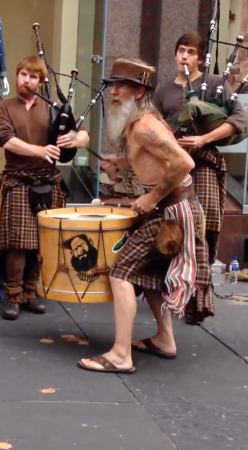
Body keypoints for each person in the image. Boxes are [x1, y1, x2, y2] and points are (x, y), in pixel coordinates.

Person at [78, 58, 212, 374]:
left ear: (139, 92)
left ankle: (120, 355)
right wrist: (122, 163)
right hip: (169, 207)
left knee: (121, 273)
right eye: (112, 85)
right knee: (149, 275)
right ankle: (165, 339)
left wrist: (151, 196)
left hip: (171, 209)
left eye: (122, 86)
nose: (114, 91)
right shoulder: (140, 123)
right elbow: (156, 158)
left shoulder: (145, 125)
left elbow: (183, 163)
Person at [152, 31, 246, 324]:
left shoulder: (217, 85)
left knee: (202, 230)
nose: (185, 57)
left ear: (200, 57)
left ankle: (198, 302)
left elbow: (238, 120)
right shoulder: (163, 91)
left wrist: (204, 138)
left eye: (191, 52)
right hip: (171, 167)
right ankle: (170, 292)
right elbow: (153, 129)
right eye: (181, 50)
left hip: (203, 165)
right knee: (172, 230)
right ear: (174, 54)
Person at [0, 55, 89, 320]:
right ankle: (13, 296)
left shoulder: (54, 109)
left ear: (41, 81)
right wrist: (39, 150)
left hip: (49, 181)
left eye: (33, 76)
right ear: (16, 76)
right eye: (23, 74)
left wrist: (74, 139)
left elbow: (84, 134)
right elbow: (6, 140)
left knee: (39, 244)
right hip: (19, 181)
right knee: (18, 244)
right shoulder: (4, 106)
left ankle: (31, 293)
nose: (27, 80)